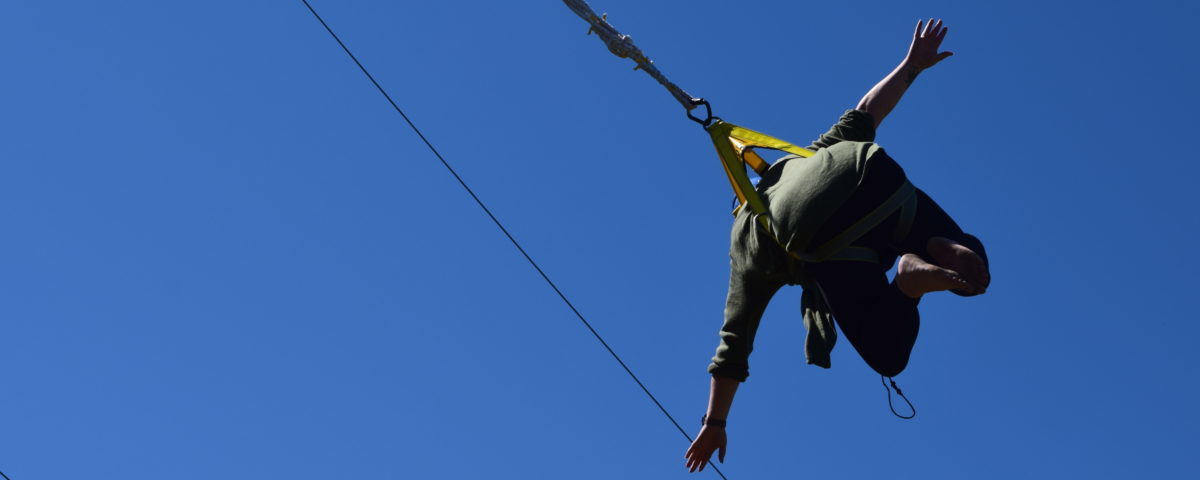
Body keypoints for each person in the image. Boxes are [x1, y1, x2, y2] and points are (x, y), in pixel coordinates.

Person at [684, 19, 991, 473]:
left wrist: (715, 421)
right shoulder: (805, 156)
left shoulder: (747, 238)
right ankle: (937, 248)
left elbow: (734, 343)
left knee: (889, 355)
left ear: (740, 203)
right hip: (869, 174)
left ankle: (908, 282)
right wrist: (911, 66)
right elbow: (869, 109)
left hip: (820, 232)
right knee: (974, 274)